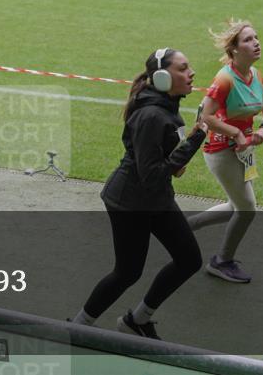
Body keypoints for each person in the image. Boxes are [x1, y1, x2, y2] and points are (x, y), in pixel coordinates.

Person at [70, 48, 207, 340]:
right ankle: (77, 327)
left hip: (154, 198)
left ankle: (137, 319)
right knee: (128, 272)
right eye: (183, 68)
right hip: (130, 202)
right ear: (161, 77)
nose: (191, 72)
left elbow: (169, 168)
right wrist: (193, 142)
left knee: (189, 259)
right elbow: (152, 175)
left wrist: (185, 146)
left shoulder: (166, 107)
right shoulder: (152, 115)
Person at [188, 19, 263, 284]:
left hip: (243, 151)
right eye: (248, 40)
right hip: (220, 150)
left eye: (256, 37)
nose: (256, 43)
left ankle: (183, 229)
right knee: (247, 209)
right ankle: (221, 261)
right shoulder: (225, 78)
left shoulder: (256, 75)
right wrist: (237, 133)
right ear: (234, 50)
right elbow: (207, 116)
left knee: (235, 206)